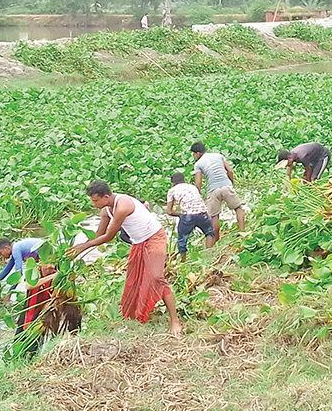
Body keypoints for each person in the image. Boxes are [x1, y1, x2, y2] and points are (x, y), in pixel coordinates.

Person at [67, 181, 183, 336]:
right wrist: (79, 247)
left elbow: (108, 236)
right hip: (139, 242)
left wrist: (84, 246)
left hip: (154, 238)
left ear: (106, 197)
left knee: (156, 278)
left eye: (95, 201)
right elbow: (98, 235)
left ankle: (175, 321)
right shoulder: (105, 210)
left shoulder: (123, 206)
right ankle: (133, 317)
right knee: (133, 280)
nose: (93, 205)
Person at [191, 141, 245, 241]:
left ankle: (216, 240)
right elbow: (230, 171)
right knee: (238, 208)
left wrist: (196, 195)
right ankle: (243, 232)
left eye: (194, 154)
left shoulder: (198, 164)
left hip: (213, 190)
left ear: (198, 153)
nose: (194, 156)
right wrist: (231, 182)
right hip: (226, 185)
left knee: (214, 216)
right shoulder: (219, 156)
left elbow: (198, 182)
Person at [165, 172, 215, 263]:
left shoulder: (172, 191)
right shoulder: (192, 187)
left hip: (187, 216)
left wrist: (180, 214)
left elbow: (169, 211)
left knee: (182, 238)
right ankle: (209, 256)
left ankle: (183, 262)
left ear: (173, 183)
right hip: (203, 213)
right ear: (184, 180)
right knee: (209, 233)